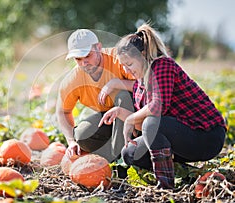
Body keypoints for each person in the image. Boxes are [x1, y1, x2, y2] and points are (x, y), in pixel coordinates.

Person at [99, 24, 226, 189]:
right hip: (182, 135)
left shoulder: (162, 65)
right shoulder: (141, 83)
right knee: (130, 153)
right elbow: (142, 124)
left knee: (152, 124)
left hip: (207, 135)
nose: (126, 70)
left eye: (129, 64)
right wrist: (121, 112)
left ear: (143, 54)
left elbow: (158, 107)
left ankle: (165, 186)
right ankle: (183, 173)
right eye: (123, 65)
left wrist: (131, 118)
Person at [56, 29, 135, 163]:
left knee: (123, 96)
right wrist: (70, 141)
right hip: (109, 119)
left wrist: (116, 83)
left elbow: (146, 87)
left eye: (87, 56)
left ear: (98, 47)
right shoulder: (72, 80)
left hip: (136, 115)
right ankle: (111, 158)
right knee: (81, 136)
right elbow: (63, 111)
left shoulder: (119, 58)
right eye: (78, 59)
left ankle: (122, 162)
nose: (83, 63)